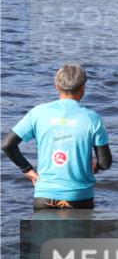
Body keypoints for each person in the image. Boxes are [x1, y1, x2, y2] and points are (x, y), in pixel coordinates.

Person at [1, 64, 112, 210]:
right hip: (79, 198)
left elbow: (7, 145)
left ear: (57, 86)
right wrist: (95, 166)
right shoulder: (93, 118)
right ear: (83, 88)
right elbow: (105, 162)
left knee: (43, 233)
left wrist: (28, 171)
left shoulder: (38, 113)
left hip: (44, 197)